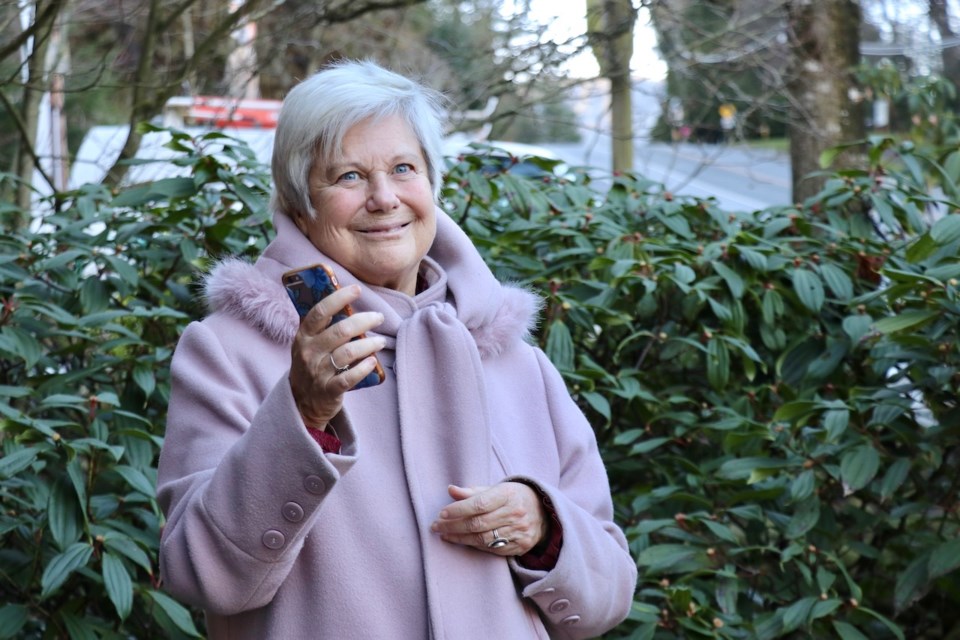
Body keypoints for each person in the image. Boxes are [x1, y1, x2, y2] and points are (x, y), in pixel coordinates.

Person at [156, 59, 636, 639]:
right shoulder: (229, 352)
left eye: (403, 168)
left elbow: (610, 596)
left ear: (432, 184)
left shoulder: (515, 361)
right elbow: (200, 575)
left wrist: (544, 527)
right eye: (348, 176)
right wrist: (303, 415)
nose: (384, 198)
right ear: (298, 201)